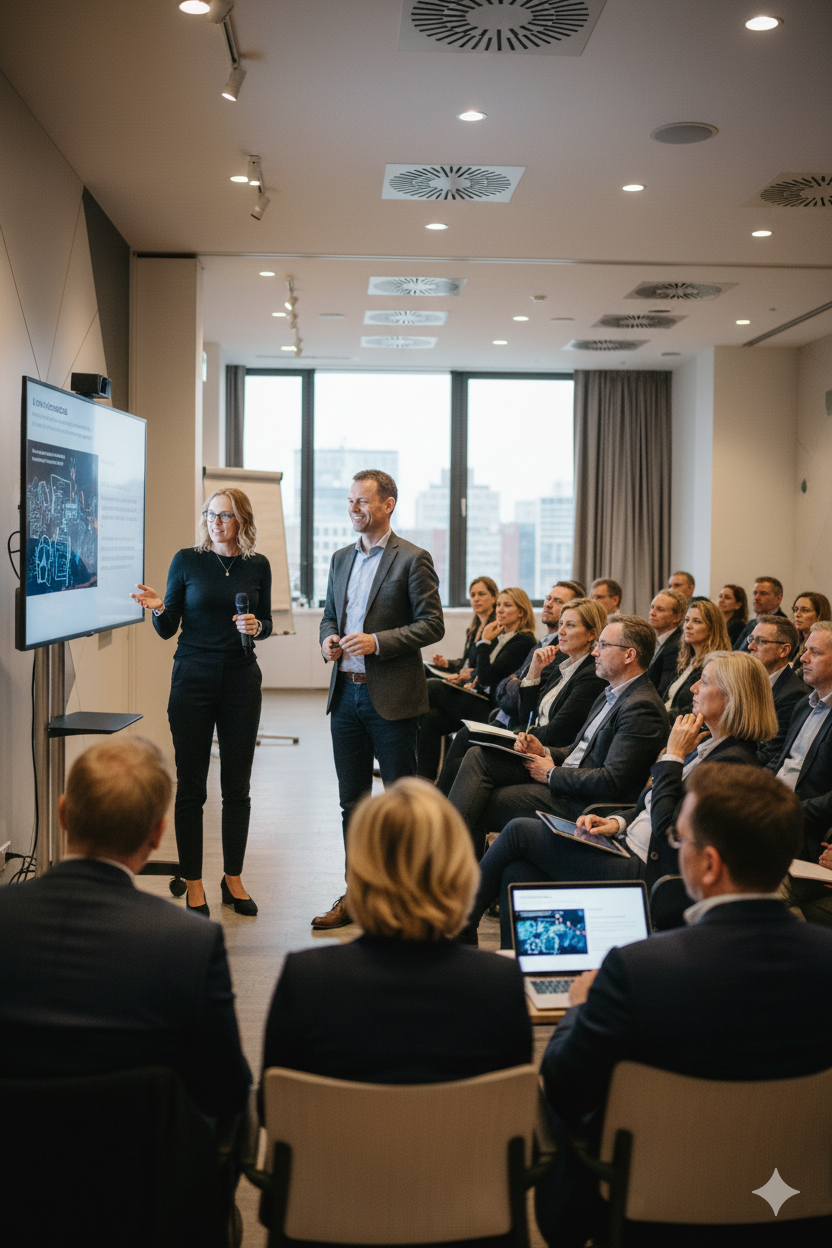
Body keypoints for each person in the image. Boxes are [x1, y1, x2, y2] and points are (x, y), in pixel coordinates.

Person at [535, 763, 832, 1248]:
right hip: (798, 1211)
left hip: (655, 1216)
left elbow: (565, 1085)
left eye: (681, 839)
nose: (675, 849)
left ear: (710, 864)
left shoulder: (637, 971)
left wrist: (578, 1008)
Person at [0, 738, 251, 1126]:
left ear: (63, 814)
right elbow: (228, 1092)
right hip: (143, 1176)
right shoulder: (190, 945)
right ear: (157, 834)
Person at [463, 651, 771, 945]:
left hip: (647, 871)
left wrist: (674, 758)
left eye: (703, 681)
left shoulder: (735, 763)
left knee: (519, 829)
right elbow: (650, 803)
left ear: (731, 696)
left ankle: (458, 924)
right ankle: (525, 972)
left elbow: (670, 833)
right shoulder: (709, 745)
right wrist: (615, 822)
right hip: (626, 846)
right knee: (518, 874)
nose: (692, 687)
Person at [262, 778, 532, 1085]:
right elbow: (517, 1107)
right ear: (459, 871)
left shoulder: (306, 979)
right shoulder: (501, 984)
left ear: (361, 873)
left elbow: (273, 1108)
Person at [131, 488, 271, 917]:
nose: (216, 522)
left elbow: (264, 624)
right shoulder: (186, 560)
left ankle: (233, 878)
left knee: (238, 787)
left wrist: (257, 624)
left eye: (225, 516)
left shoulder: (257, 565)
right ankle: (194, 883)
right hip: (192, 679)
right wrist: (158, 608)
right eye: (211, 514)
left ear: (242, 521)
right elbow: (167, 627)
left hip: (241, 680)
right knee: (191, 785)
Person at [316, 470, 444, 930]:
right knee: (352, 803)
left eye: (363, 501)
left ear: (388, 504)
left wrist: (377, 642)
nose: (354, 508)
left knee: (400, 801)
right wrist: (328, 640)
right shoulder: (337, 559)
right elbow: (330, 616)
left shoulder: (413, 558)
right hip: (345, 698)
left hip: (392, 699)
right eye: (350, 501)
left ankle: (404, 897)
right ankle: (356, 894)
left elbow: (433, 625)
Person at [448, 615, 668, 854]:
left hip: (581, 803)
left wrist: (552, 774)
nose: (595, 653)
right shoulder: (611, 691)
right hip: (565, 779)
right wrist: (542, 750)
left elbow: (611, 781)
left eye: (603, 646)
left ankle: (449, 862)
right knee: (478, 755)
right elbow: (577, 748)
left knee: (480, 801)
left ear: (629, 655)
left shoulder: (642, 707)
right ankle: (449, 856)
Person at [445, 598, 608, 853]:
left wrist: (523, 736)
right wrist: (533, 672)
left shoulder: (589, 675)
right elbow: (527, 714)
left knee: (475, 756)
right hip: (530, 741)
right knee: (465, 753)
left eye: (571, 625)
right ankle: (450, 845)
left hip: (546, 753)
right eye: (561, 623)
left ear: (592, 634)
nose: (561, 631)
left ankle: (442, 844)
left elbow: (558, 731)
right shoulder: (562, 666)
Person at [436, 581, 582, 794]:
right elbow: (503, 684)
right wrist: (513, 683)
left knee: (440, 697)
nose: (548, 604)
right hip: (503, 712)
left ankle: (435, 809)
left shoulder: (552, 651)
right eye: (549, 598)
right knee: (435, 719)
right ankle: (429, 797)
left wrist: (486, 645)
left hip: (516, 725)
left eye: (558, 601)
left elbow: (499, 684)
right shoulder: (541, 643)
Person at [416, 585, 535, 780]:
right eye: (498, 605)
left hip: (492, 708)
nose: (500, 610)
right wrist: (473, 678)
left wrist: (483, 643)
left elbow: (488, 675)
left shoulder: (523, 640)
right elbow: (481, 670)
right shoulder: (500, 636)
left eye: (507, 605)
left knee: (434, 687)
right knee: (430, 717)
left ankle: (394, 724)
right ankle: (425, 782)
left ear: (521, 612)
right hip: (478, 695)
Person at [767, 620, 832, 863]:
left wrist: (787, 812)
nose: (803, 658)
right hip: (772, 808)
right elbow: (780, 760)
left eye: (814, 652)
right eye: (805, 650)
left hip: (802, 829)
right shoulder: (804, 704)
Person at [746, 615, 808, 764]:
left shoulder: (794, 695)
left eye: (760, 641)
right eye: (751, 639)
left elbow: (771, 755)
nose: (750, 646)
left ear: (784, 650)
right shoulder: (746, 681)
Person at [664, 597, 729, 715]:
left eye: (697, 621)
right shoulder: (688, 659)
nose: (688, 626)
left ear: (711, 629)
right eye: (686, 620)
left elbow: (700, 709)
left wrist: (660, 719)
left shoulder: (715, 665)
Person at [427, 574, 497, 680]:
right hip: (462, 678)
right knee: (424, 669)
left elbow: (493, 665)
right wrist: (447, 663)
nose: (476, 599)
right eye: (473, 595)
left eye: (481, 594)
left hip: (475, 683)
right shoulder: (473, 629)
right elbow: (466, 662)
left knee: (432, 683)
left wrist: (472, 674)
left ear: (494, 598)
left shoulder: (496, 629)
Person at [646, 588, 686, 698]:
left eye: (660, 610)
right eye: (652, 607)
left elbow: (663, 690)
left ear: (676, 617)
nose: (652, 613)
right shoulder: (653, 639)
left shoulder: (676, 646)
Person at [732, 576, 786, 650]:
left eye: (763, 594)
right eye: (755, 593)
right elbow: (735, 650)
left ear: (778, 598)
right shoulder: (752, 623)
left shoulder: (782, 625)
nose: (756, 598)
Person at [791, 589, 832, 676]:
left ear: (819, 615)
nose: (797, 614)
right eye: (795, 609)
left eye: (805, 610)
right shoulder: (795, 643)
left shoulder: (823, 645)